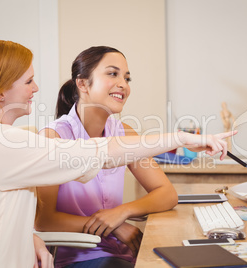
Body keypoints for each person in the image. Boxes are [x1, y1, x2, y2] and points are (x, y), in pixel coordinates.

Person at [0, 39, 234, 268]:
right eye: (28, 81)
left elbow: (1, 212)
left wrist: (29, 238)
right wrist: (181, 137)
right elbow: (97, 154)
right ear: (2, 91)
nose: (37, 88)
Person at [34, 46, 177, 267]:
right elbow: (44, 220)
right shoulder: (54, 136)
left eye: (127, 78)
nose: (123, 84)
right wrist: (114, 226)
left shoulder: (124, 132)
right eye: (112, 74)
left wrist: (122, 212)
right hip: (78, 257)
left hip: (119, 253)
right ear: (82, 83)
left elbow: (167, 193)